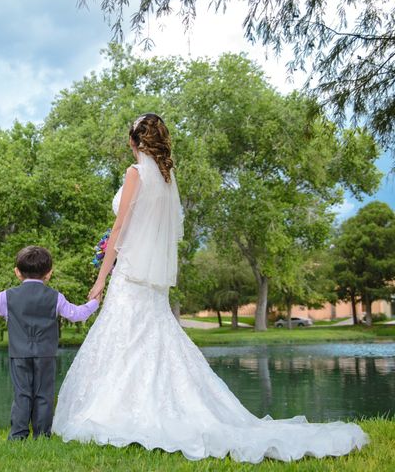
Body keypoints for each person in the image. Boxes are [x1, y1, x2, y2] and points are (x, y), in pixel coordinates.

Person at [52, 113, 369, 463]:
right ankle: (150, 408)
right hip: (153, 284)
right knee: (151, 341)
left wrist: (101, 279)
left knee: (126, 340)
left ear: (133, 141)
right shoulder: (167, 179)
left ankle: (118, 414)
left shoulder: (136, 174)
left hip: (130, 276)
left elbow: (119, 228)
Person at [0, 246, 99, 440]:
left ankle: (18, 435)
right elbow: (77, 315)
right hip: (46, 354)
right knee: (44, 395)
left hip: (19, 354)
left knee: (22, 394)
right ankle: (42, 435)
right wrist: (94, 302)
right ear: (49, 274)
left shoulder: (7, 296)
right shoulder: (55, 297)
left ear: (17, 272)